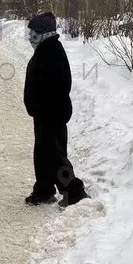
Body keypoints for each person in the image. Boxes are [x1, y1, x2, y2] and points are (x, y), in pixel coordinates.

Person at [23, 11, 90, 209]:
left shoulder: (52, 52)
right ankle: (44, 190)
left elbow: (58, 87)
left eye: (33, 31)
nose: (30, 35)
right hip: (44, 112)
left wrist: (45, 108)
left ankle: (74, 191)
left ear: (43, 32)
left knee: (54, 154)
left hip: (51, 113)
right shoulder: (46, 48)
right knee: (43, 153)